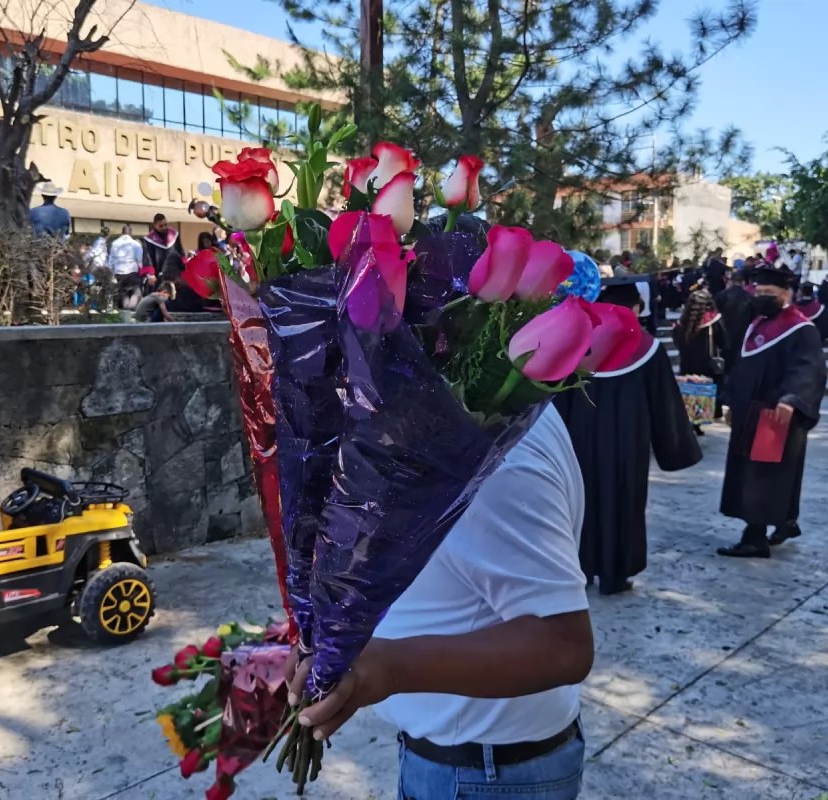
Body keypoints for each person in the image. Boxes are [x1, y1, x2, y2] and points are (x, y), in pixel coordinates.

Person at [287, 405, 595, 800]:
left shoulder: (491, 449)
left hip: (485, 775)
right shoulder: (480, 411)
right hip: (473, 763)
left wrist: (387, 667)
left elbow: (563, 646)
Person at [555, 281, 702, 595]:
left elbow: (556, 398)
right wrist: (675, 448)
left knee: (579, 502)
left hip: (577, 439)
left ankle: (580, 568)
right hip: (628, 445)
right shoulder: (647, 347)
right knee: (623, 503)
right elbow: (664, 402)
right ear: (635, 308)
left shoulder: (577, 340)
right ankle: (615, 575)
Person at [716, 264, 828, 559]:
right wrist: (730, 400)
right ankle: (785, 522)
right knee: (773, 474)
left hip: (775, 416)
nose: (762, 296)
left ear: (786, 294)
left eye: (770, 292)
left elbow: (808, 368)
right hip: (749, 413)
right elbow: (741, 367)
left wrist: (791, 399)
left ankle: (754, 538)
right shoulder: (757, 324)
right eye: (759, 291)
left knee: (762, 475)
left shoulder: (800, 329)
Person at [673, 287, 728, 430]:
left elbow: (677, 341)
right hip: (706, 363)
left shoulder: (682, 322)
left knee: (689, 390)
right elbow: (723, 341)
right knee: (702, 390)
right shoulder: (714, 321)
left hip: (687, 362)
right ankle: (698, 421)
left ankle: (689, 420)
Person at [715, 270, 754, 372]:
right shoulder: (749, 297)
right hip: (743, 333)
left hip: (725, 332)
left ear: (730, 280)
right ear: (743, 282)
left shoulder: (721, 295)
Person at [108, 224, 145, 311]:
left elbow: (111, 260)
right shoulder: (135, 244)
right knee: (136, 291)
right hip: (132, 271)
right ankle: (131, 308)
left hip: (118, 272)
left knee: (123, 292)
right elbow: (140, 260)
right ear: (131, 233)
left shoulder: (114, 243)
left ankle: (125, 311)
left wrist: (111, 273)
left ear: (122, 233)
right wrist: (143, 272)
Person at [143, 213, 184, 283]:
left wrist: (184, 265)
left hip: (176, 272)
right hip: (160, 274)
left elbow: (180, 251)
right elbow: (148, 258)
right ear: (155, 225)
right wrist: (151, 275)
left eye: (165, 224)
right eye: (161, 226)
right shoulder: (149, 240)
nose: (164, 227)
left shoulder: (174, 234)